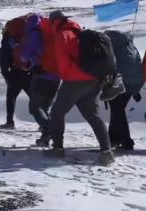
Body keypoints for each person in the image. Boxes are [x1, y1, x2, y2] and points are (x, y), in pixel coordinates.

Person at [45, 18, 114, 165]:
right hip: (94, 79)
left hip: (75, 79)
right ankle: (106, 151)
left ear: (54, 22)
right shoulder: (80, 33)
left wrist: (66, 77)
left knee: (57, 112)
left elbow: (63, 60)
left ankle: (57, 148)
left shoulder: (63, 34)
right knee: (93, 115)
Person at [20, 13, 62, 146]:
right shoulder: (51, 33)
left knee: (35, 107)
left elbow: (24, 56)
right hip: (57, 76)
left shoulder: (34, 35)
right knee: (44, 108)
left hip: (42, 75)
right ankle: (45, 138)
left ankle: (50, 129)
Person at [105, 30, 143, 151]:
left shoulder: (112, 49)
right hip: (133, 84)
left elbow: (109, 67)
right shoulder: (131, 47)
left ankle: (126, 141)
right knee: (117, 110)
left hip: (118, 84)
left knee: (118, 110)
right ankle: (112, 138)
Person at [0, 16, 32, 130]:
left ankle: (10, 122)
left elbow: (4, 58)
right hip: (28, 71)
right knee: (35, 99)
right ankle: (44, 123)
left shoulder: (8, 39)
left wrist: (6, 74)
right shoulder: (26, 36)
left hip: (15, 72)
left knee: (11, 98)